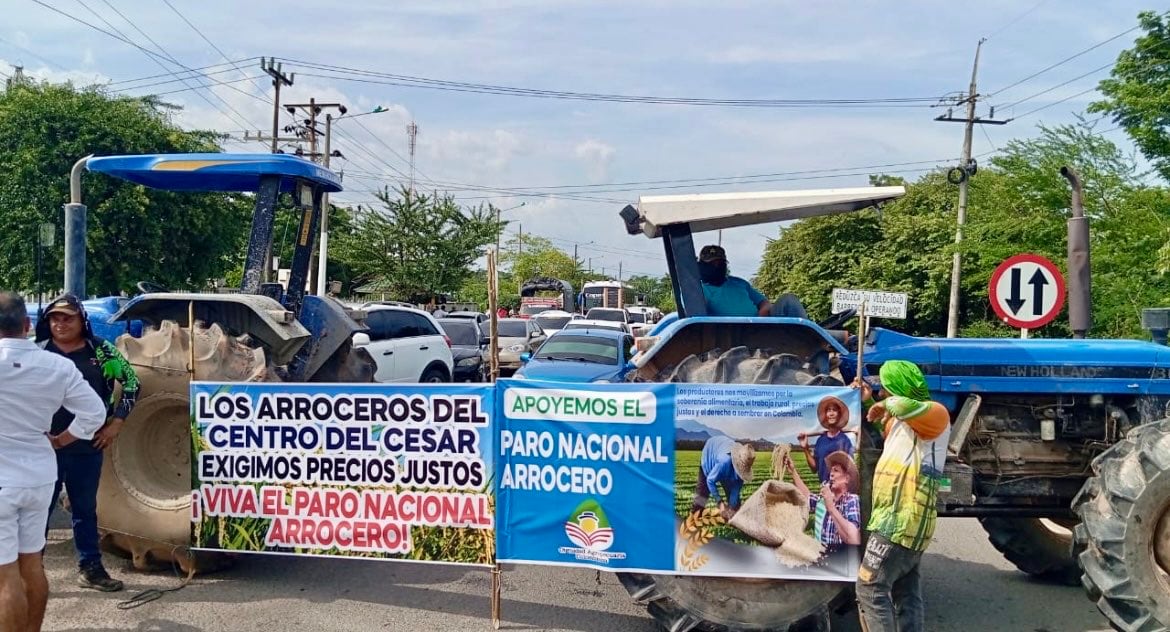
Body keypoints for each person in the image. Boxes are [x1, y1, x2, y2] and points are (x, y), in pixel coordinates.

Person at [0, 291, 106, 632]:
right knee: (32, 564)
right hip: (39, 474)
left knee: (5, 577)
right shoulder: (57, 365)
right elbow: (95, 413)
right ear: (28, 325)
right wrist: (61, 439)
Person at [35, 294, 140, 592]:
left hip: (88, 445)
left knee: (84, 509)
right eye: (55, 318)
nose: (61, 323)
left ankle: (91, 568)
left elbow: (132, 383)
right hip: (44, 447)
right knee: (38, 510)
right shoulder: (39, 353)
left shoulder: (102, 351)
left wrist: (116, 423)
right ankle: (32, 571)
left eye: (68, 317)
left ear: (82, 320)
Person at [854, 360, 950, 632]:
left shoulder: (936, 413)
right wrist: (867, 402)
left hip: (901, 521)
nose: (882, 393)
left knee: (870, 588)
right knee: (905, 592)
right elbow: (889, 432)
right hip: (898, 520)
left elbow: (900, 406)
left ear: (898, 387)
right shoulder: (905, 421)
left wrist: (883, 402)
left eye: (885, 387)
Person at [697, 245, 807, 318]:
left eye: (720, 264)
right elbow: (698, 314)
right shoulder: (698, 290)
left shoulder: (739, 283)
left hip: (761, 325)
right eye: (712, 264)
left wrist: (763, 313)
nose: (717, 267)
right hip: (728, 332)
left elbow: (764, 303)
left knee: (789, 300)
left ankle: (808, 340)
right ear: (701, 266)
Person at [785, 450, 861, 548]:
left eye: (836, 470)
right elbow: (806, 496)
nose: (831, 474)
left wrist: (831, 508)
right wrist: (793, 471)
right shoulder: (822, 500)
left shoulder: (851, 500)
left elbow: (854, 538)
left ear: (847, 478)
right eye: (831, 471)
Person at [691, 436, 755, 522]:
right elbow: (710, 480)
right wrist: (720, 502)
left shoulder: (740, 477)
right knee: (702, 494)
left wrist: (731, 509)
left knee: (735, 506)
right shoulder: (724, 462)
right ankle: (694, 518)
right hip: (710, 452)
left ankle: (730, 519)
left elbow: (734, 493)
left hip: (724, 459)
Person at [798, 395, 854, 484]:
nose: (831, 414)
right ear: (826, 415)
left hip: (840, 490)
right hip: (824, 489)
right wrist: (805, 448)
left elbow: (850, 470)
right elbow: (814, 469)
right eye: (829, 410)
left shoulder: (845, 441)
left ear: (839, 415)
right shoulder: (821, 441)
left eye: (834, 410)